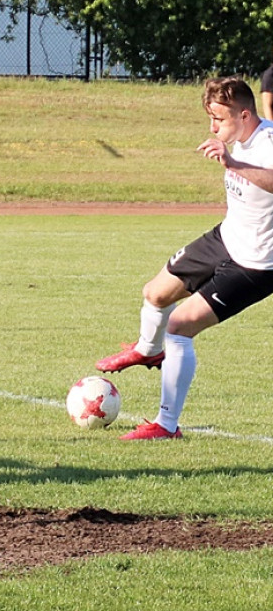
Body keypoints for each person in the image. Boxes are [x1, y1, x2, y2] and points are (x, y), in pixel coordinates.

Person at [95, 77, 273, 440]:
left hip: (257, 264)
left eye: (219, 120)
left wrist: (233, 163)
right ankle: (148, 351)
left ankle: (166, 425)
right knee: (155, 293)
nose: (213, 128)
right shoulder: (237, 139)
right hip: (226, 238)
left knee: (178, 327)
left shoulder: (267, 143)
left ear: (244, 114)